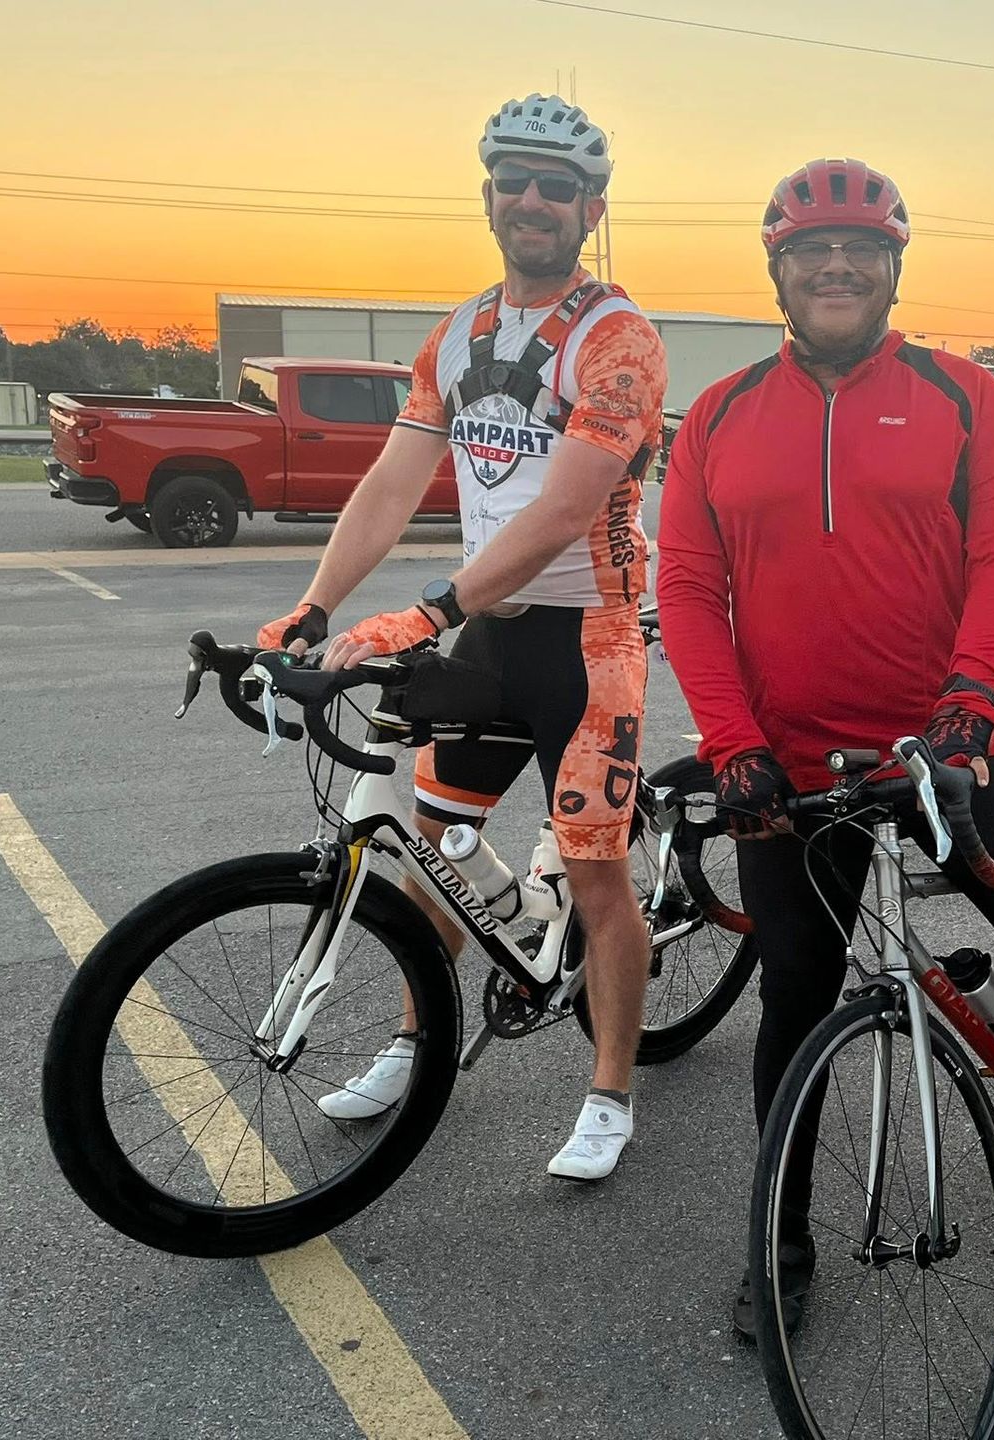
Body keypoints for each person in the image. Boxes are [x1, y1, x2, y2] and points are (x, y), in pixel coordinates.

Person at [656, 158, 994, 1336]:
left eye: (862, 249)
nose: (836, 266)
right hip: (789, 768)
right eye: (811, 250)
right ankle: (780, 1245)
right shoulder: (723, 418)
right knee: (791, 1003)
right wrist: (734, 744)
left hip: (949, 744)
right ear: (778, 269)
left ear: (894, 266)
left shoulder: (962, 396)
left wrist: (968, 698)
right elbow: (688, 588)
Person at [254, 95, 667, 1181]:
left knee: (593, 871)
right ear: (488, 193)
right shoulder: (463, 332)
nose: (534, 200)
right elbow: (393, 480)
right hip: (490, 633)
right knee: (433, 852)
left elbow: (563, 511)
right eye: (515, 180)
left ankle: (612, 1087)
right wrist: (318, 603)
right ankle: (415, 1037)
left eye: (558, 186)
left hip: (591, 635)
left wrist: (428, 611)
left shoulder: (617, 339)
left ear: (590, 207)